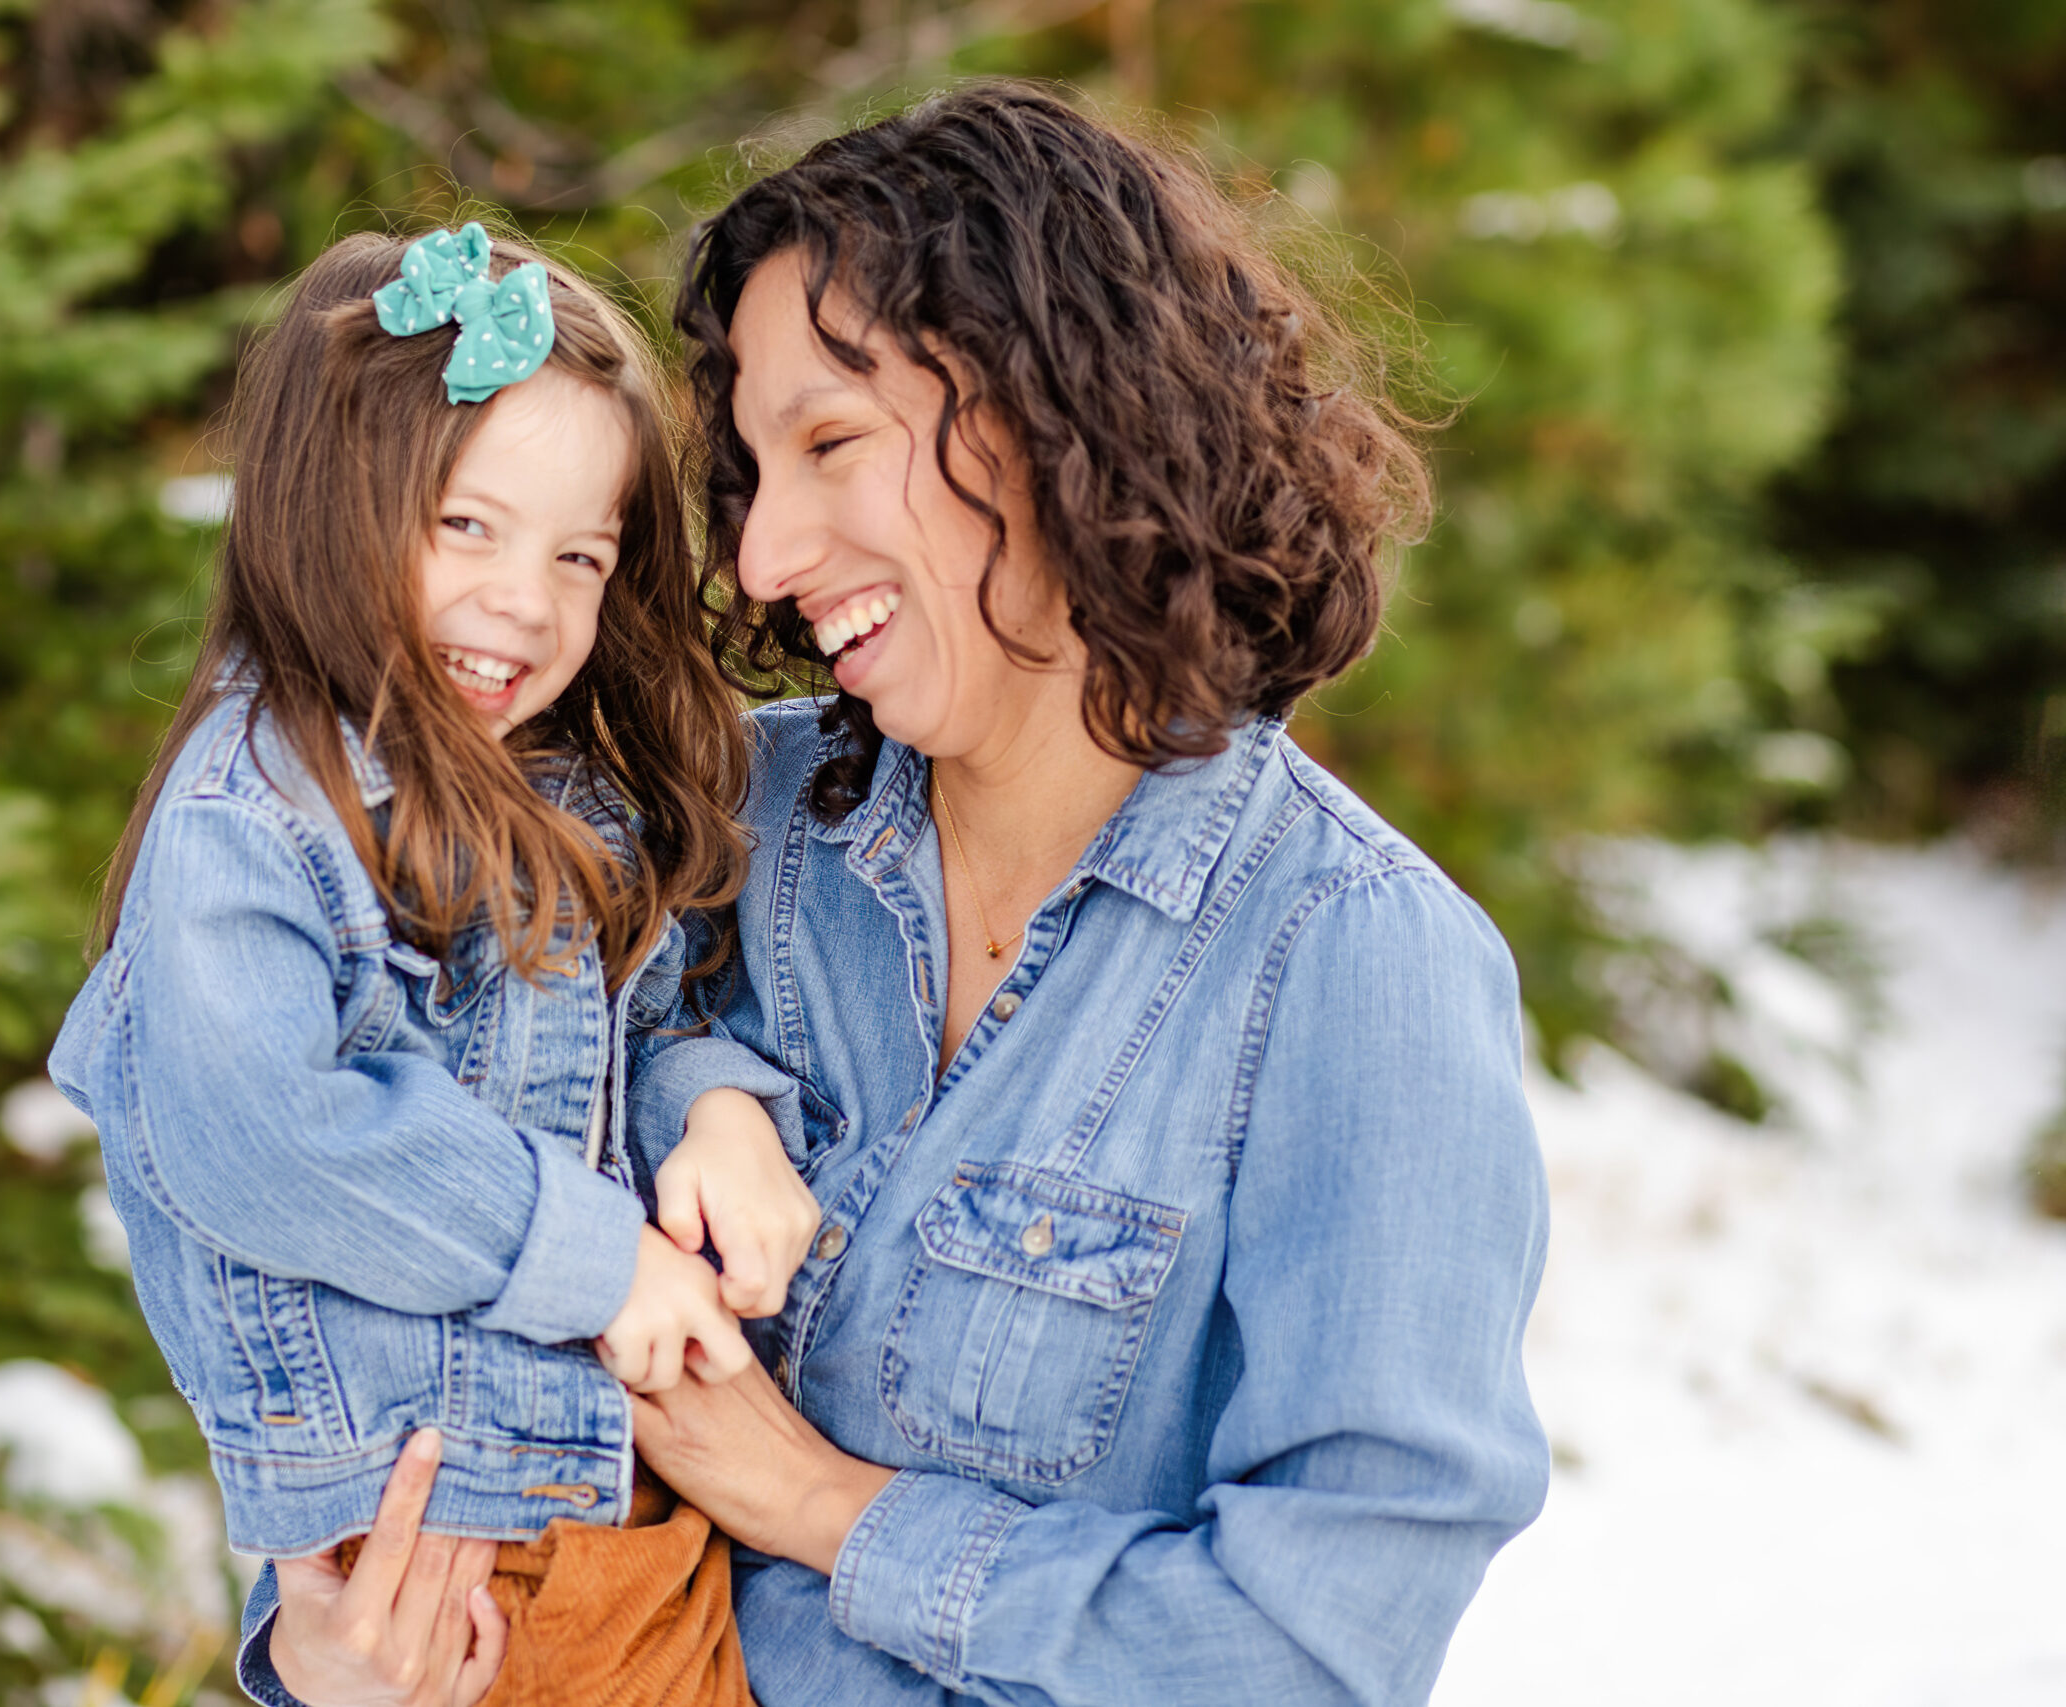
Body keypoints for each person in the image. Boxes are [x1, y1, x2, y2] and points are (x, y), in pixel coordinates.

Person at [268, 81, 1551, 1707]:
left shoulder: (1356, 963)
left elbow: (1318, 1645)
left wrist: (823, 1505)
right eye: (751, 468)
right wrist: (317, 1635)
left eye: (831, 443)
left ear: (1063, 410)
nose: (763, 557)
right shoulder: (721, 814)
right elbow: (414, 1203)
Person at [47, 223, 824, 1707]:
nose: (527, 601)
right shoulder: (252, 816)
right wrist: (606, 1266)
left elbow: (638, 1027)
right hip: (444, 1563)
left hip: (623, 1526)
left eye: (578, 555)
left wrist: (719, 1104)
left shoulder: (556, 788)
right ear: (326, 505)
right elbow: (271, 1135)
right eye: (467, 526)